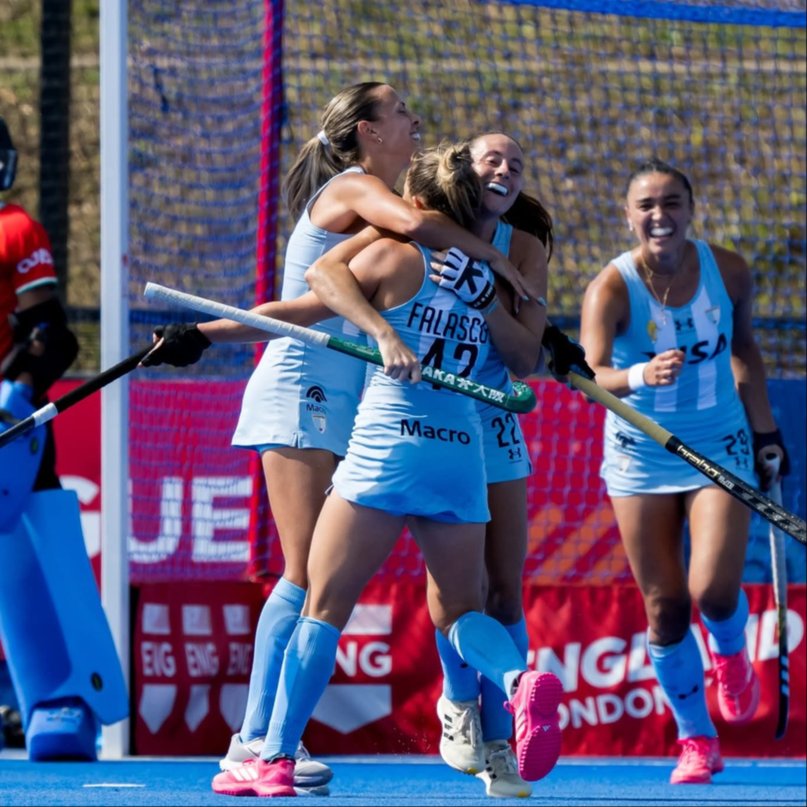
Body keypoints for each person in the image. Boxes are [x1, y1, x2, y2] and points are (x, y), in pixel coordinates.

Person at [142, 82, 542, 795]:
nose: (414, 121)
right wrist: (494, 272)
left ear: (425, 198)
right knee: (462, 606)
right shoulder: (381, 204)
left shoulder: (393, 248)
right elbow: (518, 354)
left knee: (318, 598)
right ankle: (515, 677)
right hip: (431, 437)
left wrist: (206, 334)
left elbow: (315, 288)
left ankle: (268, 752)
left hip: (381, 436)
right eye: (400, 112)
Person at [306, 131, 592, 798]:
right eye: (492, 158)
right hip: (413, 420)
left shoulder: (524, 246)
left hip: (488, 420)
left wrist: (489, 300)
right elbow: (326, 283)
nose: (505, 170)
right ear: (463, 174)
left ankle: (502, 743)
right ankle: (463, 708)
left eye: (517, 163)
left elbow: (522, 360)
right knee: (453, 595)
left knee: (500, 590)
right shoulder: (415, 227)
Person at [577, 158, 789, 785]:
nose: (660, 216)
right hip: (640, 455)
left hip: (719, 445)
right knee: (665, 608)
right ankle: (697, 738)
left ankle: (731, 655)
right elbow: (587, 376)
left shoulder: (729, 270)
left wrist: (766, 432)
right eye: (646, 205)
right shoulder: (611, 289)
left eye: (672, 203)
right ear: (628, 216)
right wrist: (641, 374)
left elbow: (744, 349)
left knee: (714, 592)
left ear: (691, 210)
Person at [0, 114, 128, 759]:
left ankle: (62, 696)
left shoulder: (13, 228)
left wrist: (17, 396)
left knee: (32, 541)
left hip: (6, 428)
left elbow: (53, 334)